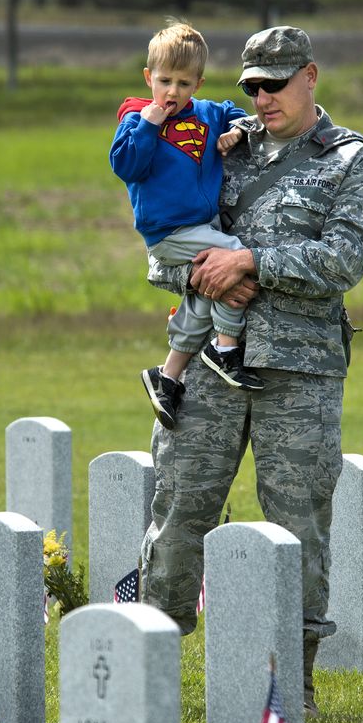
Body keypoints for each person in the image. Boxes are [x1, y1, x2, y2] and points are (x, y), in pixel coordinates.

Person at [138, 25, 363, 716]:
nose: (261, 96)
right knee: (178, 510)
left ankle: (294, 680)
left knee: (298, 525)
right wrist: (208, 274)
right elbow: (160, 251)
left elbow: (343, 261)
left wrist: (252, 264)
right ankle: (151, 666)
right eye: (251, 85)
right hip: (211, 373)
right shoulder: (216, 144)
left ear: (310, 77)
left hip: (298, 375)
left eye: (274, 83)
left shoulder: (349, 162)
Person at [110, 21, 267, 432]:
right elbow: (126, 166)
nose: (172, 92)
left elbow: (243, 117)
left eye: (183, 83)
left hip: (201, 225)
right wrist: (149, 124)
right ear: (149, 78)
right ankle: (225, 346)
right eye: (164, 81)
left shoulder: (210, 114)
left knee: (204, 290)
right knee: (234, 257)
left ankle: (168, 375)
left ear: (198, 83)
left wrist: (235, 131)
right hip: (168, 230)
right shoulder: (135, 120)